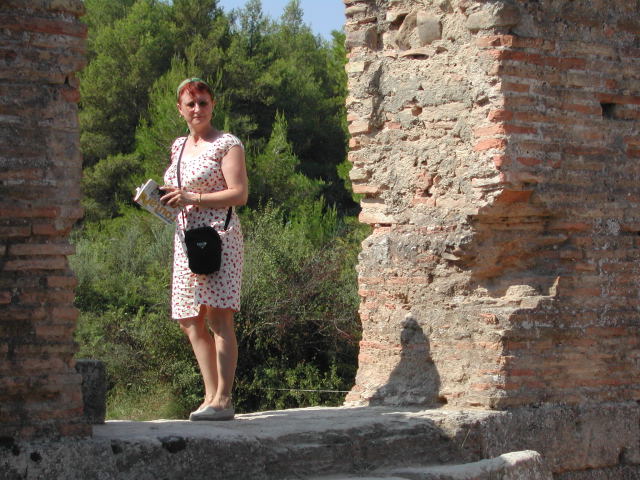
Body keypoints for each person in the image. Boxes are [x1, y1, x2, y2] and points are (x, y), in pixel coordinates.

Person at [160, 78, 248, 421]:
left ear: (212, 106)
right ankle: (209, 396)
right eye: (191, 103)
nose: (197, 109)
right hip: (186, 238)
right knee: (189, 318)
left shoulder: (227, 143)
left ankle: (223, 399)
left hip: (218, 236)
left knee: (219, 315)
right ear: (180, 109)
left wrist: (192, 197)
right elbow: (178, 190)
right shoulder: (178, 146)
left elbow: (239, 193)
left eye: (203, 103)